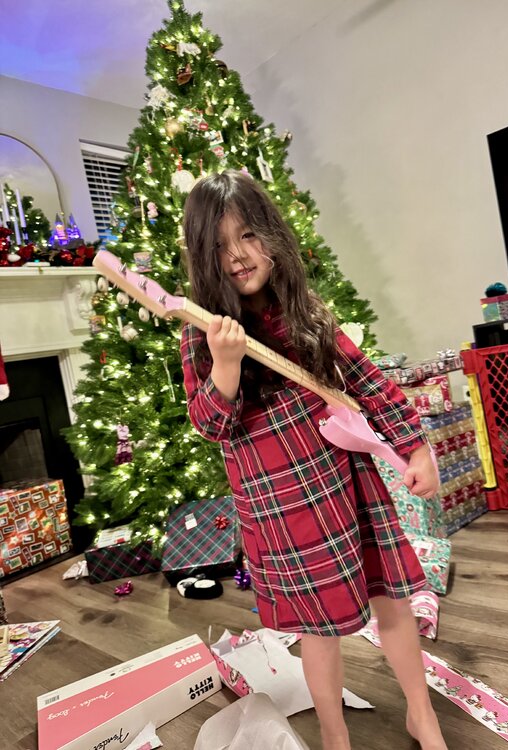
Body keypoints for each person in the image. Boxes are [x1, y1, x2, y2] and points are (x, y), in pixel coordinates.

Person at [181, 170, 447, 750]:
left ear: (272, 236)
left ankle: (421, 713)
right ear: (203, 257)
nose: (238, 255)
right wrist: (225, 366)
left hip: (345, 485)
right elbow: (210, 425)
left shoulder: (304, 310)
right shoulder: (202, 332)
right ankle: (333, 731)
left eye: (248, 235)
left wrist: (415, 446)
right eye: (220, 246)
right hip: (279, 506)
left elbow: (368, 382)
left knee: (393, 600)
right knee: (318, 630)